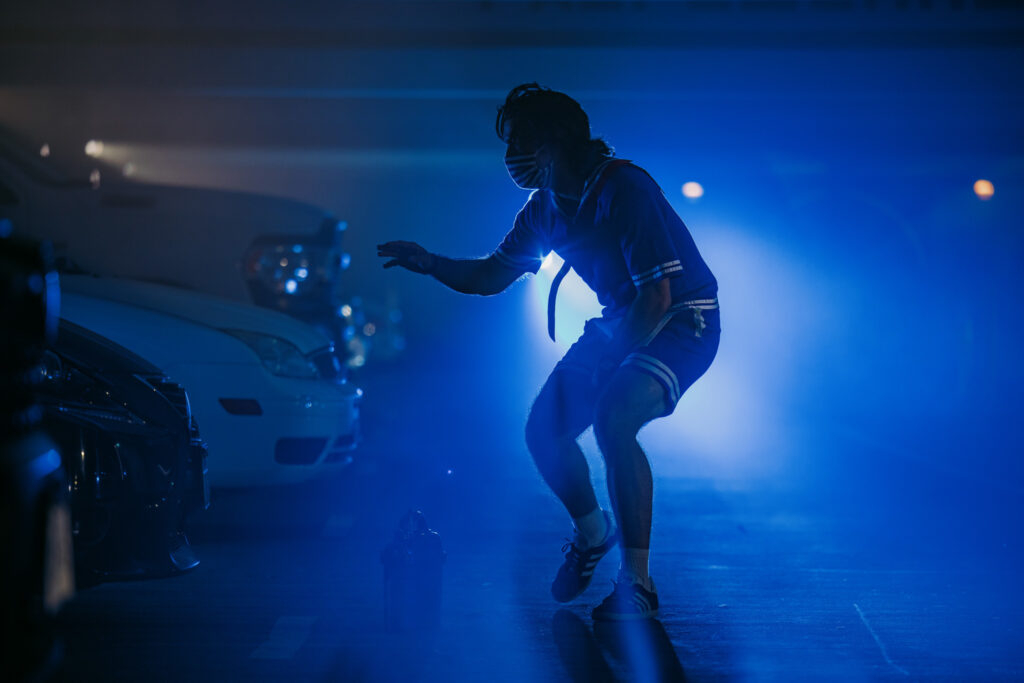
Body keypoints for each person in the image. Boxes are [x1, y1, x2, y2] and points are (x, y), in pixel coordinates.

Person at [378, 83, 719, 620]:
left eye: (519, 140)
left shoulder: (624, 188)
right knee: (544, 430)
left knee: (613, 418)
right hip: (623, 320)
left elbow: (658, 295)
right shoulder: (544, 211)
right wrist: (433, 263)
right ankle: (593, 534)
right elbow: (492, 274)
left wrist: (610, 362)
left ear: (553, 141)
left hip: (683, 320)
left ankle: (637, 585)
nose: (511, 155)